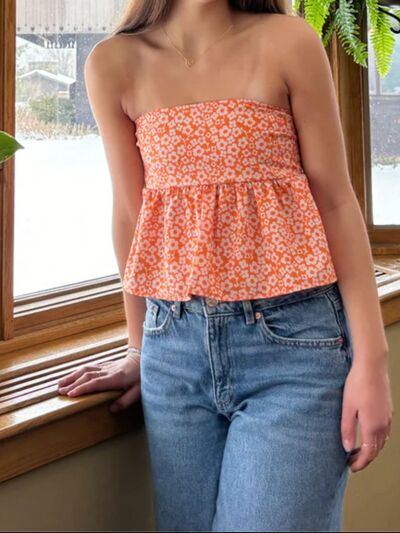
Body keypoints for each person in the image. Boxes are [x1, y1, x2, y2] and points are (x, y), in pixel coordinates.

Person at [58, 1, 393, 531]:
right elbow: (131, 214)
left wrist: (371, 361)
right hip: (173, 354)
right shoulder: (113, 62)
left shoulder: (289, 41)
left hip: (294, 351)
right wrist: (138, 345)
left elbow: (335, 201)